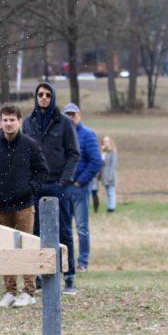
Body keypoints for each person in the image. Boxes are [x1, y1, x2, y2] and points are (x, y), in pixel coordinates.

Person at [0, 105, 49, 308]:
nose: (9, 123)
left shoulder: (30, 145)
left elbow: (42, 171)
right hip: (1, 207)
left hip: (24, 206)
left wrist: (30, 189)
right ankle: (9, 290)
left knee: (25, 247)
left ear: (19, 121)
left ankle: (28, 290)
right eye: (5, 120)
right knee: (5, 249)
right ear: (0, 122)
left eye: (12, 120)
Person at [22, 82, 80, 294]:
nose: (43, 98)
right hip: (36, 186)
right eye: (40, 94)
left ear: (52, 97)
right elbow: (24, 152)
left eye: (47, 94)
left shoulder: (64, 123)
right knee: (35, 231)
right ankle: (38, 275)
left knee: (64, 231)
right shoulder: (29, 123)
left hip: (58, 185)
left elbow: (74, 153)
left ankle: (69, 276)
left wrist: (64, 181)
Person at [62, 104, 102, 273]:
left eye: (73, 114)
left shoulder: (88, 135)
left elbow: (96, 161)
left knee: (82, 228)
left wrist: (80, 181)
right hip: (63, 188)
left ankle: (83, 262)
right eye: (67, 115)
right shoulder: (61, 135)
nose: (71, 117)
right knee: (65, 228)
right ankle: (66, 262)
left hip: (79, 188)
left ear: (79, 115)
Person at [100, 136, 118, 213]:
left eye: (107, 141)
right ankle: (109, 206)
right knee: (107, 192)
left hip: (110, 174)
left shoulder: (113, 152)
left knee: (111, 191)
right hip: (104, 174)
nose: (105, 143)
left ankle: (112, 207)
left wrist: (110, 176)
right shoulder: (104, 152)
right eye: (104, 141)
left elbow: (113, 165)